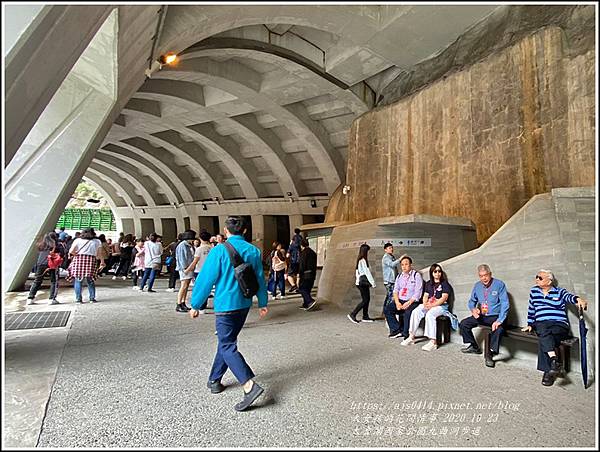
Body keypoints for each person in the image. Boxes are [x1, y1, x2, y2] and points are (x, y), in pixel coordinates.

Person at [189, 216, 268, 412]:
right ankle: (214, 379)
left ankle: (249, 385)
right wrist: (263, 302)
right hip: (244, 304)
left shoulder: (219, 251)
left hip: (225, 305)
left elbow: (206, 279)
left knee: (227, 344)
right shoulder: (254, 251)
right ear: (246, 231)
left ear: (226, 231)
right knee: (227, 341)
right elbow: (259, 278)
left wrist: (196, 304)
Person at [521, 269, 588, 386]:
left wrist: (578, 300)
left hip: (559, 325)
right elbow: (531, 309)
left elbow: (569, 297)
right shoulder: (534, 291)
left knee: (544, 335)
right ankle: (552, 364)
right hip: (542, 324)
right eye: (536, 277)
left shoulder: (559, 291)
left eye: (540, 278)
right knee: (541, 327)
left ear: (549, 281)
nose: (537, 279)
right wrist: (530, 324)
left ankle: (551, 365)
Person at [459, 264, 509, 367]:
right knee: (464, 324)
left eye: (486, 275)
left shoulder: (499, 284)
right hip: (483, 315)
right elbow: (471, 301)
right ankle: (474, 346)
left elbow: (505, 303)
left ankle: (489, 354)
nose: (484, 278)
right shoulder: (477, 286)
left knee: (498, 329)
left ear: (490, 274)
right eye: (481, 276)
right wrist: (473, 309)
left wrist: (499, 320)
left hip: (496, 316)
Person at [401, 263, 453, 350]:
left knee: (430, 314)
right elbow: (425, 296)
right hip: (429, 304)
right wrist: (425, 304)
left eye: (439, 271)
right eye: (435, 271)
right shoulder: (429, 283)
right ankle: (411, 337)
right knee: (416, 311)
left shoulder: (445, 284)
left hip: (441, 306)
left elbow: (443, 298)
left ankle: (433, 342)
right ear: (432, 273)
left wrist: (432, 305)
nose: (437, 273)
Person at [384, 255, 423, 337]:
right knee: (387, 309)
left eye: (406, 264)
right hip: (400, 300)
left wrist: (408, 303)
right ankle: (396, 330)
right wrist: (397, 302)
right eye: (402, 265)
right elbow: (395, 290)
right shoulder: (399, 276)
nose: (404, 267)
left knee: (408, 312)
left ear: (410, 265)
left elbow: (418, 293)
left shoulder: (416, 275)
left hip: (412, 301)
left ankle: (406, 334)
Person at [67, 228, 104, 303]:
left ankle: (78, 299)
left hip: (79, 259)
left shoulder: (78, 240)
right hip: (91, 260)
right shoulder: (97, 241)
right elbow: (100, 253)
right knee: (90, 280)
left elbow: (71, 251)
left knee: (78, 280)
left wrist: (76, 254)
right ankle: (92, 298)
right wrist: (102, 262)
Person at [27, 232, 62, 305]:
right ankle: (51, 298)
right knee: (54, 281)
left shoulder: (41, 245)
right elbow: (61, 253)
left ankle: (30, 298)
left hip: (41, 263)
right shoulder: (56, 245)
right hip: (51, 263)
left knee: (37, 281)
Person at [348, 244, 376, 323]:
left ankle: (365, 316)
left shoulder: (360, 259)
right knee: (365, 300)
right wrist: (373, 283)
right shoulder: (362, 260)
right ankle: (353, 314)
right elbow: (367, 273)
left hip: (361, 283)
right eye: (367, 251)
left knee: (367, 299)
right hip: (362, 283)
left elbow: (358, 272)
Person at [174, 230, 196, 312]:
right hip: (185, 268)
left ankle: (183, 302)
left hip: (189, 267)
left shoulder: (189, 245)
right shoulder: (182, 245)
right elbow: (182, 257)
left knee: (186, 286)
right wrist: (185, 268)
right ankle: (179, 303)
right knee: (183, 286)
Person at [381, 243, 402, 323]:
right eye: (389, 248)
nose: (391, 249)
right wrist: (400, 259)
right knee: (391, 297)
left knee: (388, 297)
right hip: (389, 281)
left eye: (392, 248)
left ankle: (385, 313)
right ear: (385, 249)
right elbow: (392, 264)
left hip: (392, 280)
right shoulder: (386, 257)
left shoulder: (391, 257)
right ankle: (388, 314)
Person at [297, 238, 317, 311]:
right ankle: (306, 304)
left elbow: (302, 265)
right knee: (307, 289)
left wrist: (299, 274)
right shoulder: (312, 252)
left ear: (301, 245)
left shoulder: (303, 253)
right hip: (312, 273)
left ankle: (310, 301)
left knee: (302, 288)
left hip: (305, 274)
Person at [286, 228, 303, 292]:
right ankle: (298, 287)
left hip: (293, 261)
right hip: (300, 260)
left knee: (289, 275)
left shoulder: (292, 244)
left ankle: (293, 285)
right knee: (299, 274)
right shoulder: (302, 240)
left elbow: (287, 254)